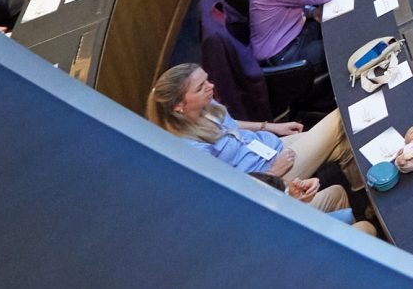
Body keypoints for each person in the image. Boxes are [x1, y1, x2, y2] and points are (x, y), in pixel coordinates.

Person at [146, 65, 368, 228]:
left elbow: (231, 124)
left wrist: (270, 126)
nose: (210, 86)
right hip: (270, 171)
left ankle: (367, 195)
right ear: (179, 106)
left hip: (268, 145)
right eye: (200, 87)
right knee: (340, 119)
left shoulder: (204, 102)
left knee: (342, 144)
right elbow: (229, 194)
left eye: (207, 80)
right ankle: (367, 196)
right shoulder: (190, 149)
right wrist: (273, 173)